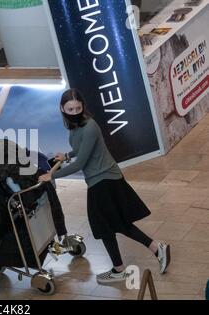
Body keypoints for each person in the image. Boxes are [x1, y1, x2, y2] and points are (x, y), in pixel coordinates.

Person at [38, 88, 171, 284]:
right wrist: (66, 155)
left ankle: (153, 250)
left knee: (112, 225)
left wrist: (52, 175)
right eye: (70, 109)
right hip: (99, 180)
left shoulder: (90, 126)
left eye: (77, 108)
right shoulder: (75, 128)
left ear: (83, 107)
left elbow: (81, 162)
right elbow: (81, 149)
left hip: (105, 180)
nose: (74, 112)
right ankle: (126, 265)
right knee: (109, 226)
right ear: (62, 108)